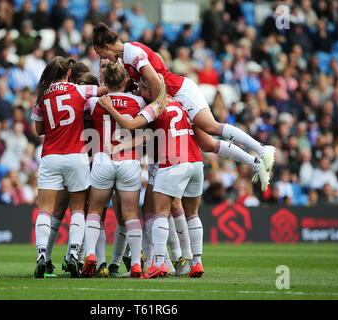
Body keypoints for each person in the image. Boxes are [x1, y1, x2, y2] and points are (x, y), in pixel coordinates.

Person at [92, 23, 273, 192]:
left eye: (101, 54)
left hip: (180, 92)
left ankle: (262, 148)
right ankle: (255, 162)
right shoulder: (126, 56)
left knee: (210, 126)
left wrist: (156, 107)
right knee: (207, 143)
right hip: (171, 97)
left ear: (106, 47)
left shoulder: (131, 51)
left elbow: (156, 82)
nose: (104, 59)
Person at [98, 75, 204, 278]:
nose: (139, 92)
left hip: (172, 163)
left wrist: (109, 108)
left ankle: (159, 263)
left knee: (160, 213)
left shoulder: (154, 107)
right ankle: (196, 262)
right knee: (192, 214)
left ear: (150, 89)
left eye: (141, 89)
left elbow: (131, 127)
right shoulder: (178, 103)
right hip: (196, 161)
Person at [31, 57, 108, 278]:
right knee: (77, 209)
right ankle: (74, 255)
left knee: (45, 209)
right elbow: (103, 91)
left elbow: (39, 129)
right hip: (76, 156)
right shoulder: (78, 91)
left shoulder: (42, 96)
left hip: (50, 157)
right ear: (68, 74)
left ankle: (42, 258)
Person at [81, 62, 146, 278]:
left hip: (102, 158)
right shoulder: (138, 101)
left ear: (105, 82)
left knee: (95, 212)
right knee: (130, 215)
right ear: (125, 81)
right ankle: (136, 263)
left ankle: (91, 256)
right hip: (129, 161)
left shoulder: (93, 102)